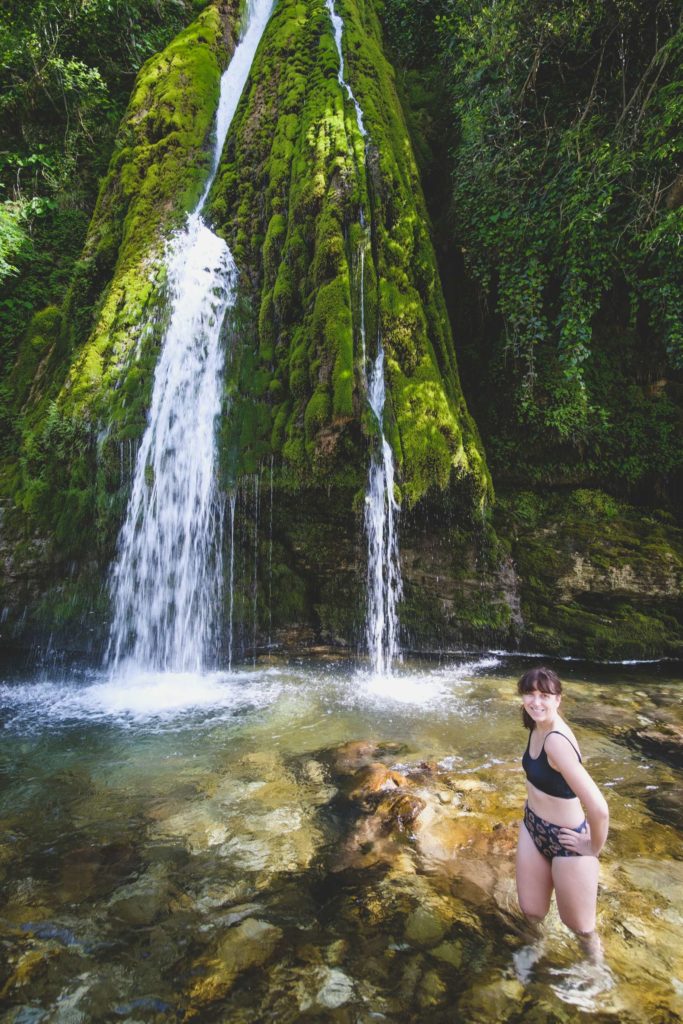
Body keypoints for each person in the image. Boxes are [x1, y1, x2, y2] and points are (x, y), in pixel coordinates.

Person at [516, 666, 609, 954]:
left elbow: (599, 808)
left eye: (544, 695)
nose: (536, 701)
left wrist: (592, 845)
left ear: (558, 699)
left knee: (582, 929)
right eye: (530, 694)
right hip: (533, 828)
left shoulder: (556, 741)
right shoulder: (536, 725)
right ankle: (533, 954)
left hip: (567, 839)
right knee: (531, 912)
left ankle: (595, 973)